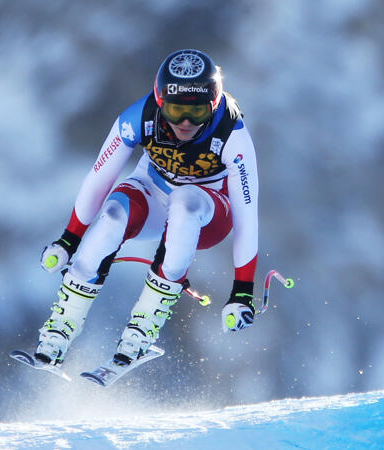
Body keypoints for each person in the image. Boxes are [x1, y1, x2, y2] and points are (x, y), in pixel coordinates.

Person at [34, 49, 259, 368]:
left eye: (196, 113)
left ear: (214, 104)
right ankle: (60, 329)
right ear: (159, 100)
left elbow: (247, 217)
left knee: (185, 203)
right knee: (113, 215)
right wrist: (69, 239)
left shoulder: (232, 133)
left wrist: (242, 291)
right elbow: (100, 177)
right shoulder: (138, 117)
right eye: (175, 109)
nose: (184, 122)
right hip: (154, 188)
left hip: (208, 210)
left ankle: (142, 328)